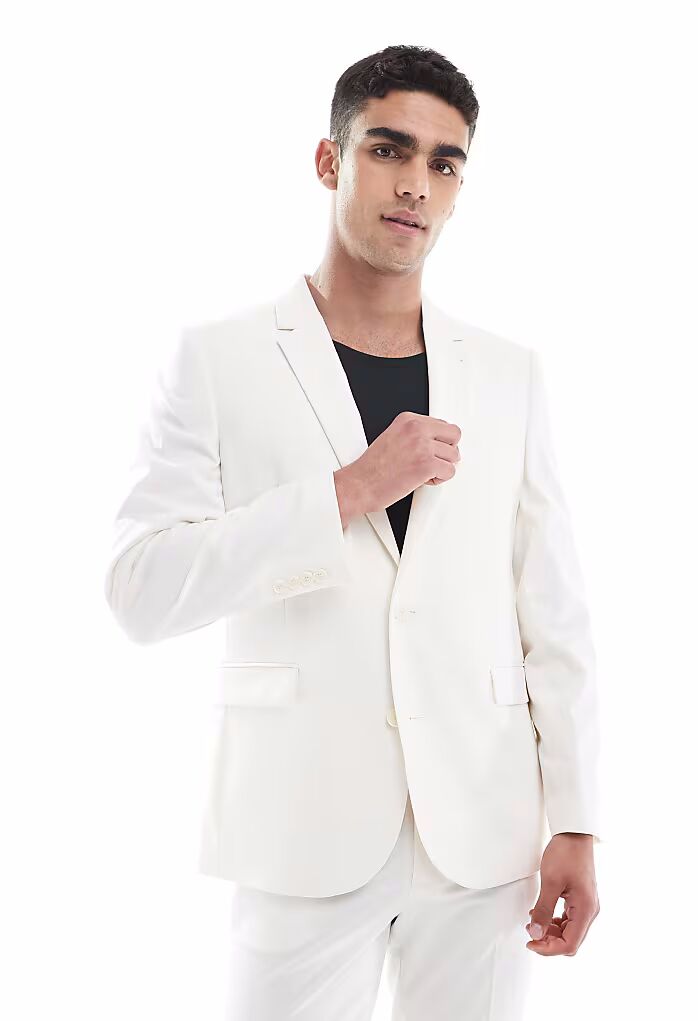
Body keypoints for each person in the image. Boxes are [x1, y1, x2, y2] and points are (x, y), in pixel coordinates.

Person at [104, 43, 603, 1021]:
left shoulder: (509, 374)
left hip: (484, 834)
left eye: (443, 163)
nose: (415, 184)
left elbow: (554, 613)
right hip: (299, 827)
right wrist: (343, 492)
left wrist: (577, 818)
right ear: (329, 161)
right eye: (388, 149)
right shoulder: (217, 359)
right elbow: (139, 589)